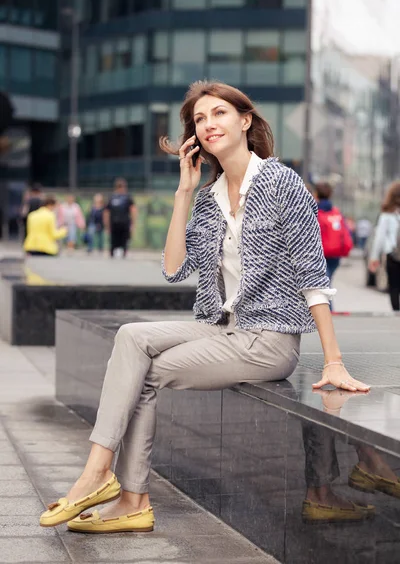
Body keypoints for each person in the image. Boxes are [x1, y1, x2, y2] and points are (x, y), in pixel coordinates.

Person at [39, 81, 370, 534]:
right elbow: (174, 269)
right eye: (199, 119)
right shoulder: (209, 200)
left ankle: (113, 486)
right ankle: (110, 482)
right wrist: (184, 193)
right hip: (222, 329)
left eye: (219, 113)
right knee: (131, 337)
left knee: (144, 374)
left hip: (269, 340)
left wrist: (333, 361)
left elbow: (314, 276)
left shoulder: (281, 183)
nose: (209, 124)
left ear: (245, 120)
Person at [369, 180, 400, 311]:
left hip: (392, 255)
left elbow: (379, 238)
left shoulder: (387, 215)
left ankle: (397, 314)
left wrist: (374, 257)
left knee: (394, 287)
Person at [314, 182, 353, 284]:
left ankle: (328, 300)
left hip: (321, 255)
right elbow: (346, 231)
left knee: (324, 287)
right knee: (327, 282)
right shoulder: (336, 211)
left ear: (316, 194)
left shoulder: (315, 211)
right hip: (336, 255)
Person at [104, 178, 137, 258]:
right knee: (113, 240)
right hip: (114, 223)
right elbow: (106, 212)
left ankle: (124, 252)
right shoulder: (112, 197)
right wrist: (107, 224)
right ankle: (112, 252)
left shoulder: (128, 197)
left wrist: (133, 223)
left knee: (124, 239)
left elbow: (133, 210)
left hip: (124, 223)